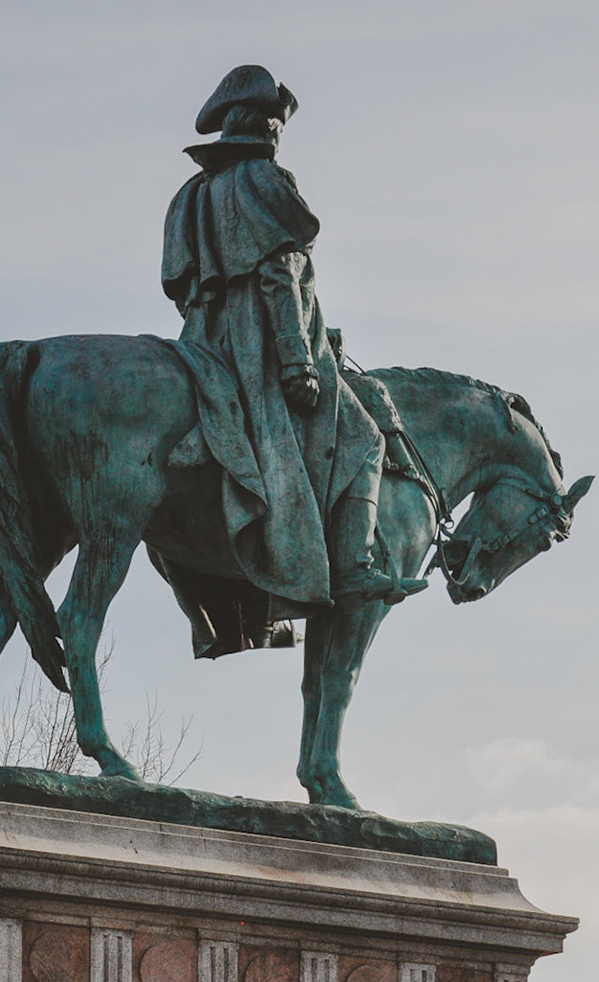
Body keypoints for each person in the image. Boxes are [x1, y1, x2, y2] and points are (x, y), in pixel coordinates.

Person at [154, 65, 424, 657]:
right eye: (277, 123)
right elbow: (283, 273)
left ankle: (237, 606)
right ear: (265, 129)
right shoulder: (266, 180)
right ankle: (353, 567)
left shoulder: (192, 195)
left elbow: (179, 283)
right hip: (266, 344)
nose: (280, 133)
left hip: (203, 339)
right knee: (363, 439)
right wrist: (298, 361)